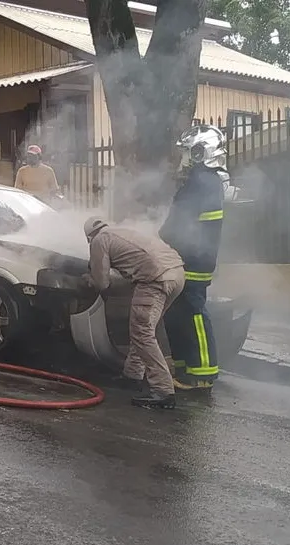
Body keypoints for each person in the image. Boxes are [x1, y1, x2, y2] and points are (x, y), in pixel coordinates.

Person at [82, 217, 185, 409]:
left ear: (89, 236)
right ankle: (132, 376)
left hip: (155, 279)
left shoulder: (99, 240)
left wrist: (90, 279)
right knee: (143, 330)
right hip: (177, 274)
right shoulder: (121, 232)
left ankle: (163, 391)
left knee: (142, 333)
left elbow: (102, 283)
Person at [159, 124, 227, 390]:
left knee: (193, 313)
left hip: (194, 259)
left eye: (188, 152)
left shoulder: (202, 181)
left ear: (201, 152)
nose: (184, 158)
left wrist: (163, 235)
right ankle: (184, 367)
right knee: (177, 313)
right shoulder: (203, 180)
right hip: (188, 255)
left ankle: (202, 373)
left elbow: (183, 221)